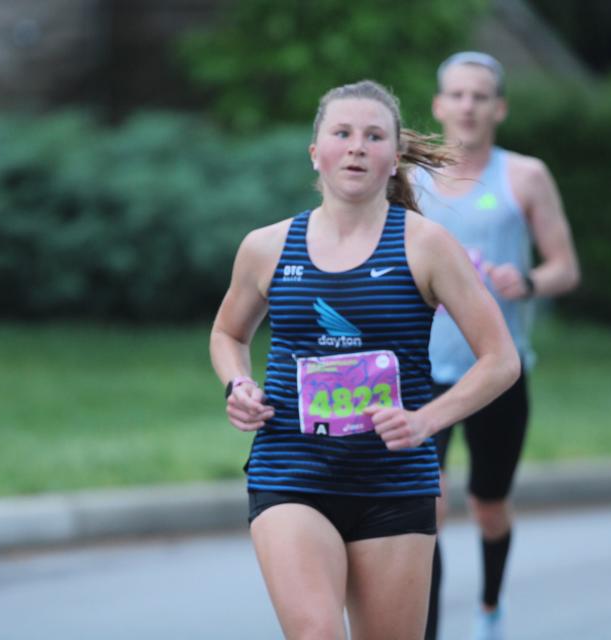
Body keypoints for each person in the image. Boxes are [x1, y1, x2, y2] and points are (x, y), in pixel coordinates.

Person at [209, 79, 521, 640]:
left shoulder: (427, 246)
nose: (357, 146)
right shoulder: (267, 246)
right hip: (291, 471)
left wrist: (426, 420)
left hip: (394, 483)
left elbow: (501, 360)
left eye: (374, 136)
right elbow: (228, 333)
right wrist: (238, 386)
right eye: (342, 133)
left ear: (395, 154)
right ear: (316, 151)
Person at [413, 52, 581, 640]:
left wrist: (529, 281)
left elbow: (565, 266)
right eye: (455, 94)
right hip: (418, 374)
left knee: (487, 505)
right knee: (423, 513)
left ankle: (489, 610)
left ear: (499, 107)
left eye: (479, 95)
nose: (466, 105)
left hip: (496, 372)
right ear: (437, 105)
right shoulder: (408, 177)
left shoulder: (525, 176)